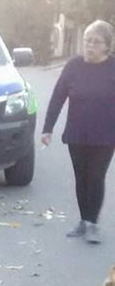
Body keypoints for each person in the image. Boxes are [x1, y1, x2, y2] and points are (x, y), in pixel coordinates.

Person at [42, 19, 115, 244]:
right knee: (81, 178)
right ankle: (84, 220)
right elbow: (57, 97)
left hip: (105, 136)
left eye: (96, 42)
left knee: (95, 177)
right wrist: (48, 128)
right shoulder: (73, 66)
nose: (90, 45)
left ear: (107, 46)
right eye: (87, 40)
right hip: (77, 134)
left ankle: (93, 223)